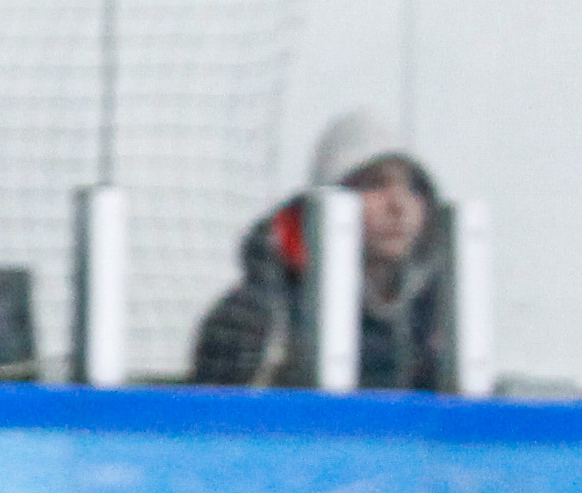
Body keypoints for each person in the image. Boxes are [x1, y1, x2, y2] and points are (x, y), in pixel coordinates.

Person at [188, 109, 456, 390]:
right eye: (375, 184)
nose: (399, 206)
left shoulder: (440, 325)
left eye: (413, 188)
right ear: (325, 204)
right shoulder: (251, 320)